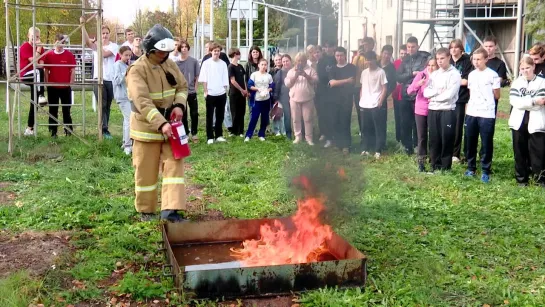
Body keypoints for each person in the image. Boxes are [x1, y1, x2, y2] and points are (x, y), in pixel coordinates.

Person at [125, 24, 189, 222]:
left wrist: (179, 105)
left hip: (172, 126)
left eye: (167, 51)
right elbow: (142, 102)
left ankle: (171, 211)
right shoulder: (137, 70)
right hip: (147, 129)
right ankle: (146, 210)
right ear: (151, 49)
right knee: (146, 169)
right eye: (161, 51)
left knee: (174, 167)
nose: (164, 55)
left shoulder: (169, 64)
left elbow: (182, 86)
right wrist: (161, 124)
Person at [463, 48, 501, 183]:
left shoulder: (493, 75)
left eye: (479, 59)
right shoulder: (471, 75)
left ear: (486, 59)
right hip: (472, 112)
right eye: (474, 59)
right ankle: (471, 167)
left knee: (486, 142)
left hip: (486, 113)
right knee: (471, 141)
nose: (476, 62)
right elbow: (471, 92)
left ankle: (485, 169)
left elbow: (497, 95)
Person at [80, 16, 119, 139]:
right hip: (98, 79)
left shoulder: (114, 46)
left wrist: (96, 43)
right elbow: (87, 42)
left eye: (107, 33)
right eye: (102, 33)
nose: (105, 35)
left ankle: (104, 128)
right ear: (99, 34)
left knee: (107, 105)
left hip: (110, 80)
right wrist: (83, 26)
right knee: (101, 104)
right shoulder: (96, 45)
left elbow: (105, 54)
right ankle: (103, 129)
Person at [509, 56, 545, 187]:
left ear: (533, 67)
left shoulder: (542, 82)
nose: (525, 71)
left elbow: (542, 101)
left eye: (528, 68)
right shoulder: (517, 83)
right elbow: (515, 102)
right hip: (518, 121)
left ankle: (539, 180)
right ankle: (521, 179)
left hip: (536, 121)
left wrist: (528, 102)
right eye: (522, 68)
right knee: (519, 151)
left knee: (538, 152)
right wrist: (533, 101)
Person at [423, 47, 461, 172]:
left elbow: (449, 95)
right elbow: (426, 92)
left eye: (442, 58)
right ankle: (434, 164)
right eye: (438, 59)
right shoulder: (434, 74)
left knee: (446, 138)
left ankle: (445, 167)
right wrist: (437, 92)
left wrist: (434, 97)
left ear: (448, 57)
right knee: (434, 138)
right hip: (433, 110)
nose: (439, 61)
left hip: (447, 110)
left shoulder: (454, 74)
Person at [398, 36, 431, 155]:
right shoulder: (404, 61)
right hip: (406, 95)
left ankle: (418, 146)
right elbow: (398, 77)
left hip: (419, 96)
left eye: (413, 47)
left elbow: (425, 74)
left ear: (417, 46)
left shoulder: (424, 59)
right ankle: (407, 147)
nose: (410, 49)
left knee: (418, 124)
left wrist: (416, 77)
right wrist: (411, 74)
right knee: (405, 122)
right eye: (408, 47)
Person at [407, 58, 439, 172]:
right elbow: (409, 90)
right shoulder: (421, 75)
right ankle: (421, 161)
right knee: (422, 136)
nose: (431, 67)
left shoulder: (439, 76)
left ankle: (434, 160)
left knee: (434, 136)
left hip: (434, 108)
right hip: (420, 109)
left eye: (433, 65)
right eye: (429, 65)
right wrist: (417, 84)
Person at [43, 33, 76, 138]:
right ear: (54, 43)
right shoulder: (49, 55)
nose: (60, 45)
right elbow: (46, 69)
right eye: (58, 43)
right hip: (52, 87)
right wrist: (47, 83)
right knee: (53, 110)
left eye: (62, 43)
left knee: (66, 110)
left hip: (65, 87)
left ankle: (68, 131)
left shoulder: (69, 55)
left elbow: (72, 69)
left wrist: (71, 82)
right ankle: (53, 132)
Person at [285, 52, 318, 145]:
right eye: (298, 61)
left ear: (305, 61)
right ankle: (298, 136)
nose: (300, 62)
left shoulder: (311, 70)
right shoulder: (291, 71)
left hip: (308, 98)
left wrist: (306, 75)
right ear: (295, 61)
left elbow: (315, 81)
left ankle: (309, 138)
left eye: (302, 60)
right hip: (294, 98)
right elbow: (287, 84)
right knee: (295, 119)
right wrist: (295, 76)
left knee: (308, 119)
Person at [199, 42, 229, 144]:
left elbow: (225, 79)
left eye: (218, 51)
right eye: (215, 51)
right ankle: (210, 137)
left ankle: (219, 135)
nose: (216, 52)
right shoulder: (206, 63)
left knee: (220, 116)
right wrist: (206, 91)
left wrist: (225, 90)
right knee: (210, 116)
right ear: (211, 51)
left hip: (221, 93)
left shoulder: (223, 64)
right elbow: (204, 79)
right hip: (210, 94)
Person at [359, 51, 387, 158]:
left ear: (375, 60)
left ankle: (378, 150)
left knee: (377, 127)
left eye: (371, 59)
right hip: (364, 104)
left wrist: (380, 100)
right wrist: (361, 98)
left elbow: (384, 88)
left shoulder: (381, 72)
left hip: (375, 103)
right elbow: (362, 87)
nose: (369, 62)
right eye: (367, 60)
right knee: (365, 127)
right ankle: (365, 148)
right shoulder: (364, 72)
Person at [20, 26, 48, 136]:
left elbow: (41, 64)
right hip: (26, 74)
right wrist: (38, 50)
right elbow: (34, 63)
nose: (35, 39)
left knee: (34, 101)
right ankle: (41, 94)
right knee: (38, 71)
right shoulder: (25, 47)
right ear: (28, 36)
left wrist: (39, 52)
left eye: (37, 37)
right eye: (33, 36)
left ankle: (29, 128)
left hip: (36, 78)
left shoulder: (41, 48)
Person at [449, 38, 474, 163]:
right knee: (448, 124)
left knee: (458, 126)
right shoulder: (447, 60)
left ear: (461, 49)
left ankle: (455, 153)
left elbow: (466, 80)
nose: (453, 50)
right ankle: (447, 150)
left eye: (456, 47)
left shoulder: (466, 61)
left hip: (460, 98)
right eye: (451, 47)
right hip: (447, 98)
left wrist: (451, 82)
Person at [329, 47, 357, 154]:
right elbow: (332, 83)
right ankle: (337, 144)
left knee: (345, 121)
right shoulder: (332, 68)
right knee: (336, 121)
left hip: (347, 99)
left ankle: (346, 145)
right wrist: (346, 81)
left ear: (345, 55)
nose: (339, 58)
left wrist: (338, 82)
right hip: (334, 99)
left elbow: (353, 82)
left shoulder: (351, 67)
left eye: (341, 55)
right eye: (337, 56)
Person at [174, 40, 200, 142]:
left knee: (194, 113)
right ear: (180, 49)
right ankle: (185, 133)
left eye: (186, 47)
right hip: (181, 93)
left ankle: (194, 133)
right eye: (182, 47)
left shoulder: (194, 61)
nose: (184, 49)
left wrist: (196, 88)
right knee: (183, 114)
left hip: (192, 91)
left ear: (188, 49)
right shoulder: (176, 63)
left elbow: (197, 76)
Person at [245, 59, 274, 142]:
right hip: (257, 100)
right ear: (259, 65)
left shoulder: (268, 76)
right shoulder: (254, 75)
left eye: (265, 65)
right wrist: (258, 89)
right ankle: (248, 135)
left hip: (266, 100)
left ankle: (261, 134)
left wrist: (268, 90)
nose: (264, 66)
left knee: (264, 118)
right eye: (262, 64)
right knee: (254, 117)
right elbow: (250, 86)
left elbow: (272, 85)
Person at [351, 37, 376, 135]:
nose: (364, 47)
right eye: (363, 44)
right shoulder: (358, 57)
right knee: (360, 109)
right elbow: (352, 68)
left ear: (372, 45)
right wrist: (357, 56)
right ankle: (362, 130)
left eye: (366, 44)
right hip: (358, 86)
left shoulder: (376, 57)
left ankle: (372, 130)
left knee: (371, 109)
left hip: (372, 87)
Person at [112, 46, 133, 155]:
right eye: (126, 55)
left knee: (128, 120)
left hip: (129, 96)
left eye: (129, 55)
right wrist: (126, 72)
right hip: (122, 96)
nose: (128, 57)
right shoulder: (117, 65)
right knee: (129, 120)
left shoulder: (128, 65)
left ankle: (126, 142)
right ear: (120, 55)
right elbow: (116, 80)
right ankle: (128, 146)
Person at [316, 40, 337, 145]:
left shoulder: (337, 58)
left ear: (334, 47)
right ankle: (326, 135)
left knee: (334, 115)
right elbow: (320, 77)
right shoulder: (322, 61)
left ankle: (335, 136)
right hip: (324, 91)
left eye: (330, 47)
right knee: (324, 114)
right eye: (326, 47)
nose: (328, 49)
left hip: (336, 91)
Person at [482, 36, 508, 113]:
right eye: (486, 46)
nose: (488, 48)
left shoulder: (500, 64)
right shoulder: (478, 61)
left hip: (491, 98)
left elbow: (498, 81)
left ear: (495, 47)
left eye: (490, 46)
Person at [228, 48, 248, 137]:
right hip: (234, 93)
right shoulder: (230, 67)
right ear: (235, 54)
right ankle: (234, 131)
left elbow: (243, 79)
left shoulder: (240, 66)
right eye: (238, 53)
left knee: (241, 111)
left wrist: (245, 90)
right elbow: (233, 81)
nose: (239, 55)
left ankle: (241, 131)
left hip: (242, 93)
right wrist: (241, 89)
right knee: (235, 112)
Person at [273, 54, 293, 139]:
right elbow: (277, 86)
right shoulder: (280, 73)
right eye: (283, 61)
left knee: (297, 116)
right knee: (287, 116)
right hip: (284, 97)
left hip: (296, 96)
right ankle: (288, 135)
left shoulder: (294, 70)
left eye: (287, 61)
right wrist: (276, 98)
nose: (285, 63)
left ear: (290, 61)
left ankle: (300, 134)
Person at [392, 45, 408, 143]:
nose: (403, 55)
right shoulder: (395, 63)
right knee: (397, 117)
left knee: (405, 118)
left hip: (406, 94)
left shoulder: (410, 63)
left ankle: (406, 138)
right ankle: (398, 139)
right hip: (396, 94)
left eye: (405, 53)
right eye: (401, 53)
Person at [380, 45, 397, 122]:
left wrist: (385, 94)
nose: (387, 56)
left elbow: (393, 84)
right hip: (371, 95)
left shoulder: (392, 68)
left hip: (382, 96)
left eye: (389, 54)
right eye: (385, 53)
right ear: (381, 53)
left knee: (382, 119)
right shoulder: (375, 64)